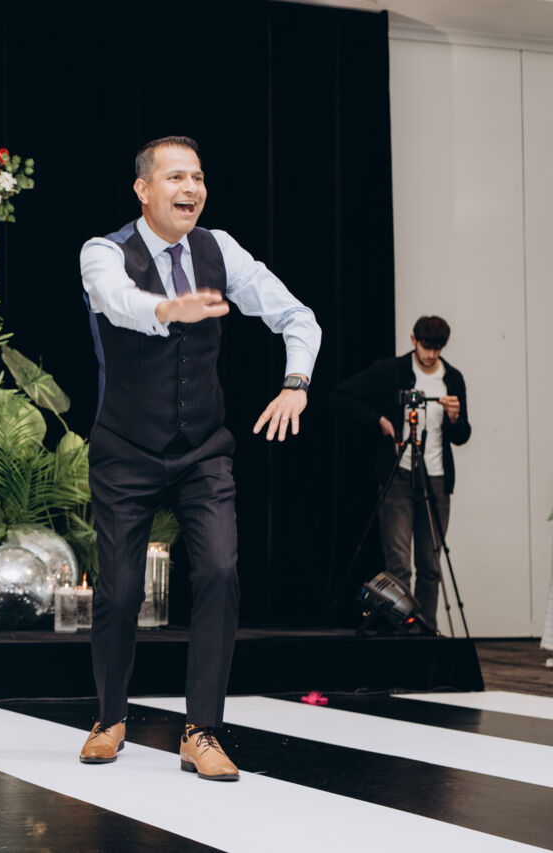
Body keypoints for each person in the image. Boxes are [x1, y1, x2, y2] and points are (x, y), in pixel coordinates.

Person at [78, 136, 321, 780]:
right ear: (143, 189)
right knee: (120, 590)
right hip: (126, 448)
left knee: (219, 571)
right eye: (176, 177)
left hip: (204, 448)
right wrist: (167, 307)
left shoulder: (219, 249)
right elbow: (118, 302)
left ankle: (201, 731)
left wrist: (296, 383)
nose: (191, 189)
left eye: (199, 178)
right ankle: (110, 717)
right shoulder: (104, 252)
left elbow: (297, 316)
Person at [330, 316, 470, 629]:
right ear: (413, 340)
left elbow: (462, 435)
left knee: (430, 565)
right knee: (398, 566)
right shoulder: (392, 370)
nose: (431, 355)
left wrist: (454, 417)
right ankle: (402, 632)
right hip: (398, 475)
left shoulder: (452, 378)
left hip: (436, 478)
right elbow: (341, 396)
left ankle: (426, 631)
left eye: (437, 348)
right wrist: (379, 419)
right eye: (426, 346)